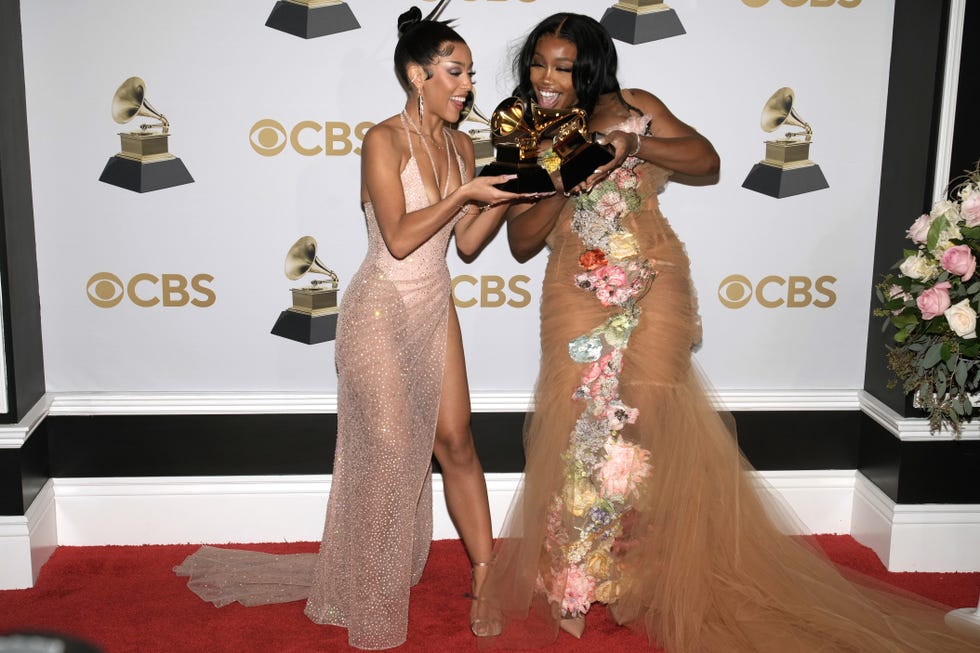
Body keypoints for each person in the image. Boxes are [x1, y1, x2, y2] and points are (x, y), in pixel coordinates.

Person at [477, 12, 980, 652]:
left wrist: (632, 144)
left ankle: (644, 570)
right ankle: (574, 577)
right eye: (539, 65)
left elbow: (706, 160)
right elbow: (521, 240)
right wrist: (564, 172)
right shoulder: (526, 129)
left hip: (655, 280)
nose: (547, 79)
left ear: (593, 68)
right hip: (575, 290)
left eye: (564, 67)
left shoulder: (636, 105)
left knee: (649, 420)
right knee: (579, 422)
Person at [175, 5, 529, 650]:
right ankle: (371, 589)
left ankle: (484, 576)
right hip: (378, 310)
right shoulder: (383, 139)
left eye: (471, 74)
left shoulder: (461, 143)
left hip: (434, 304)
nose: (468, 85)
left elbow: (469, 243)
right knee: (394, 448)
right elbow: (397, 238)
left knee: (456, 442)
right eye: (455, 71)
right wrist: (464, 195)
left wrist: (505, 197)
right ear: (417, 74)